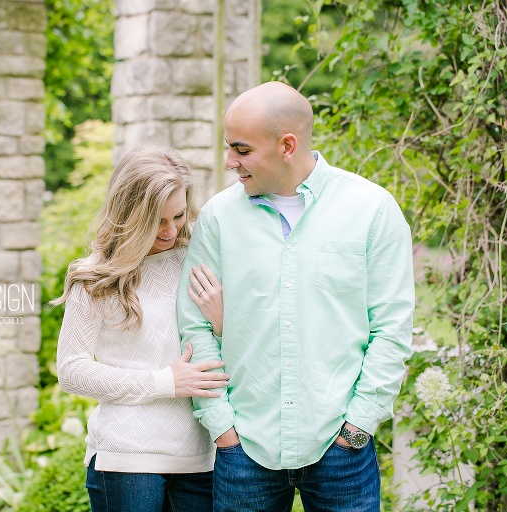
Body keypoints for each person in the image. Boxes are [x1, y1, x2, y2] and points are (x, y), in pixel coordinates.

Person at [177, 81, 415, 512]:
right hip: (245, 449)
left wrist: (358, 427)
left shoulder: (372, 210)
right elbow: (193, 326)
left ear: (288, 145)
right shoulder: (218, 218)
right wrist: (223, 429)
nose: (229, 161)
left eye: (242, 150)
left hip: (342, 449)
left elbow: (392, 328)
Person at [55, 142, 227, 512]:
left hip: (201, 457)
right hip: (126, 461)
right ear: (130, 214)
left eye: (178, 216)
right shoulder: (95, 277)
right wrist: (164, 382)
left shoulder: (202, 257)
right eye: (157, 221)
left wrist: (222, 323)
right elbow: (71, 371)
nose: (170, 231)